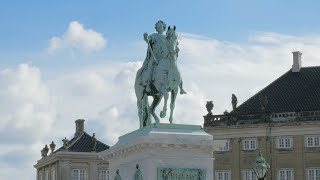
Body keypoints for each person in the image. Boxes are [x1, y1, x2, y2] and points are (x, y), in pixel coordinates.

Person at [141, 20, 186, 94]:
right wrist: (146, 37)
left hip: (164, 57)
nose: (159, 27)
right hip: (155, 57)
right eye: (158, 26)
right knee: (150, 67)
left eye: (160, 26)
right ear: (156, 28)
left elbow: (173, 44)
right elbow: (148, 40)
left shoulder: (167, 37)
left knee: (175, 68)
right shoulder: (154, 36)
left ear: (164, 27)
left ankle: (180, 86)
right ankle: (148, 84)